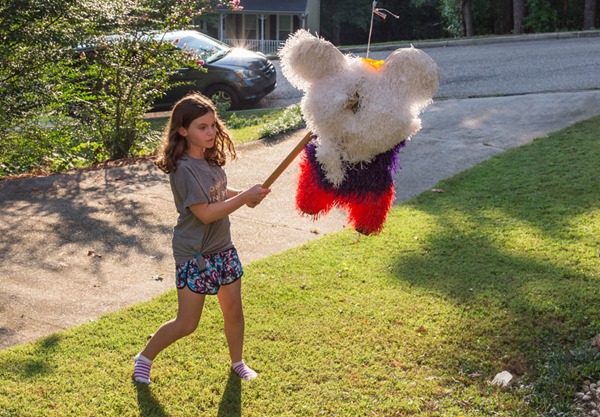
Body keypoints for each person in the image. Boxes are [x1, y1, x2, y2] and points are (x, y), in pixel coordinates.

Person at [133, 93, 271, 384]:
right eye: (202, 127)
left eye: (212, 125)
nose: (210, 132)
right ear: (183, 130)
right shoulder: (183, 169)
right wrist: (245, 197)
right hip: (195, 253)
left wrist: (244, 195)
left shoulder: (209, 159)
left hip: (223, 247)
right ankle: (144, 358)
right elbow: (205, 213)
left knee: (233, 309)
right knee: (187, 323)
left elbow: (218, 190)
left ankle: (238, 362)